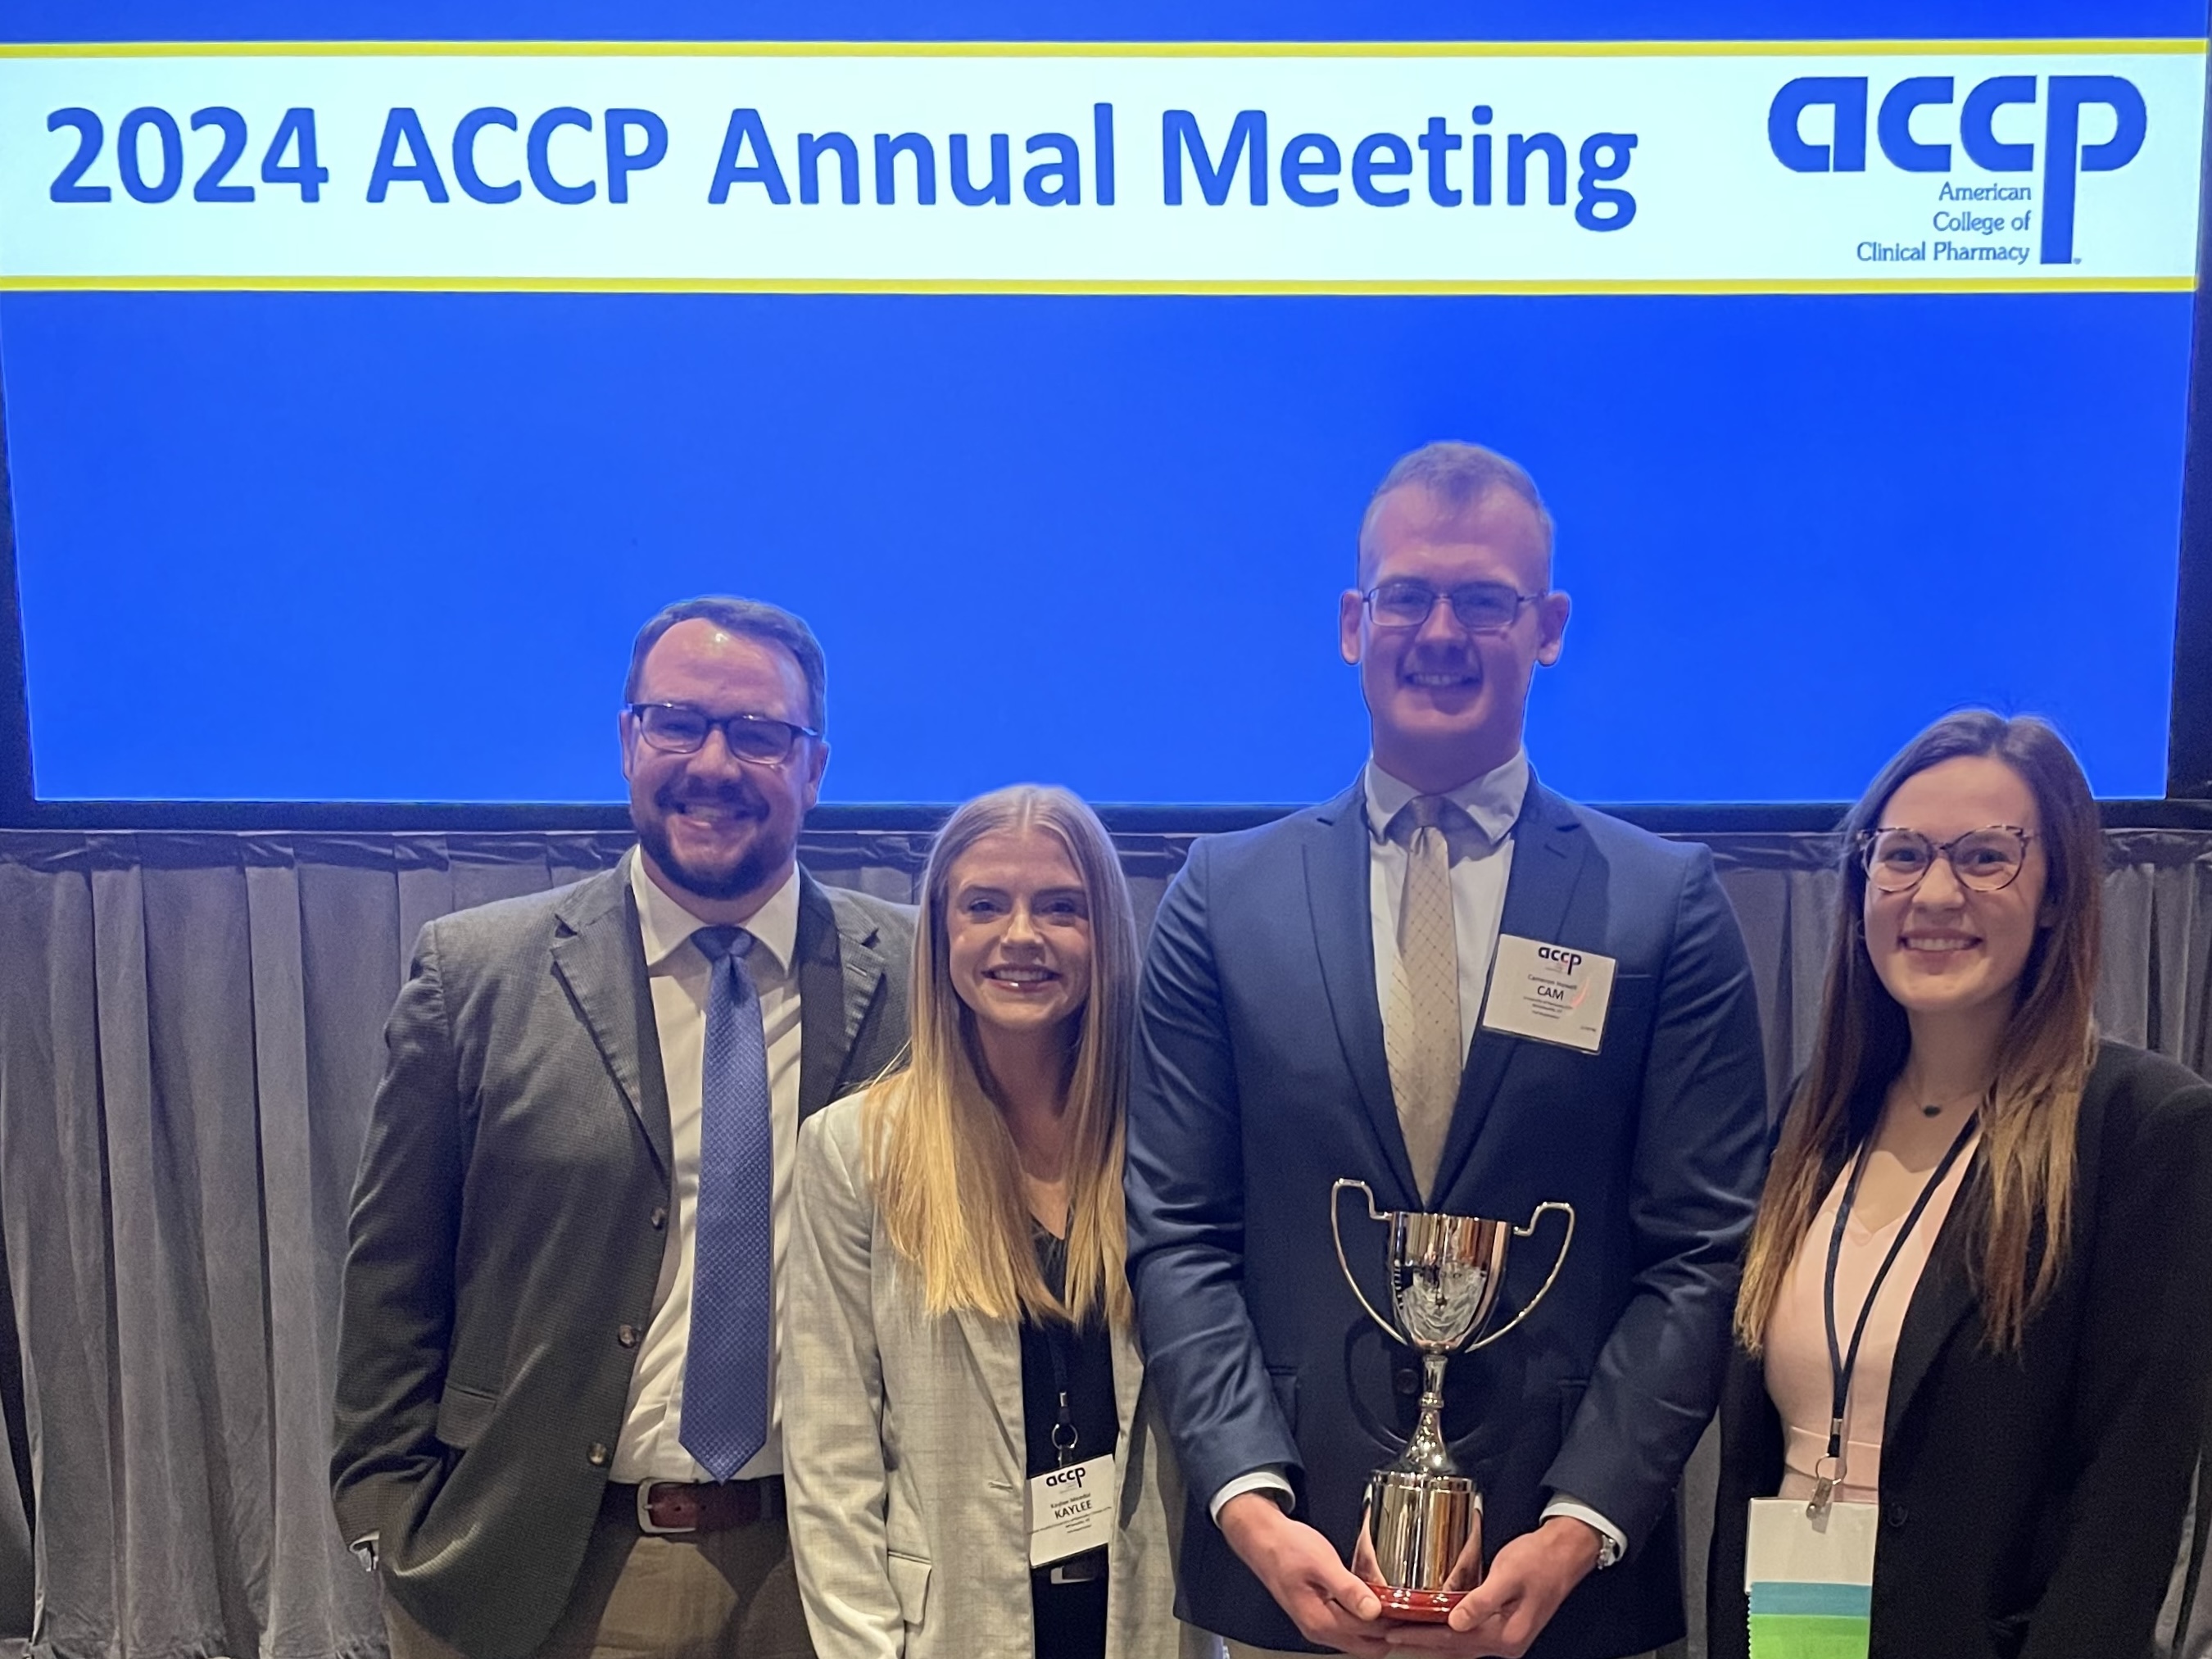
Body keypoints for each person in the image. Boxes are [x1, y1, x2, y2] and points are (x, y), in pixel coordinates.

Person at [1125, 441, 1770, 1659]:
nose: (1442, 632)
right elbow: (1178, 1228)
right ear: (1353, 623)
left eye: (1485, 600)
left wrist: (1578, 1525)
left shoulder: (1664, 903)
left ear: (1550, 628)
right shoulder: (1222, 897)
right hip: (1291, 1572)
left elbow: (1704, 1249)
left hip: (1559, 1589)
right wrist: (1253, 1508)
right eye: (1409, 596)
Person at [331, 596, 914, 1659]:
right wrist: (387, 1521)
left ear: (815, 766)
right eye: (679, 723)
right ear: (627, 740)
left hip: (841, 1574)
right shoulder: (473, 979)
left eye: (759, 733)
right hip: (556, 1576)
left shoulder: (924, 983)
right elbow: (390, 1289)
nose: (715, 763)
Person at [1708, 710, 2212, 1659]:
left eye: (1986, 857)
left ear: (2059, 891)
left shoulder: (2146, 1129)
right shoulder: (1821, 1117)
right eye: (1900, 856)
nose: (1933, 894)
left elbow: (2130, 1502)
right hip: (1790, 1629)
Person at [783, 785, 1199, 1659]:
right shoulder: (853, 1150)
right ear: (939, 934)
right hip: (950, 1628)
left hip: (1148, 1622)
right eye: (984, 906)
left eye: (1061, 908)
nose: (1021, 937)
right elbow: (832, 1457)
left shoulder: (1175, 1140)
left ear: (1106, 935)